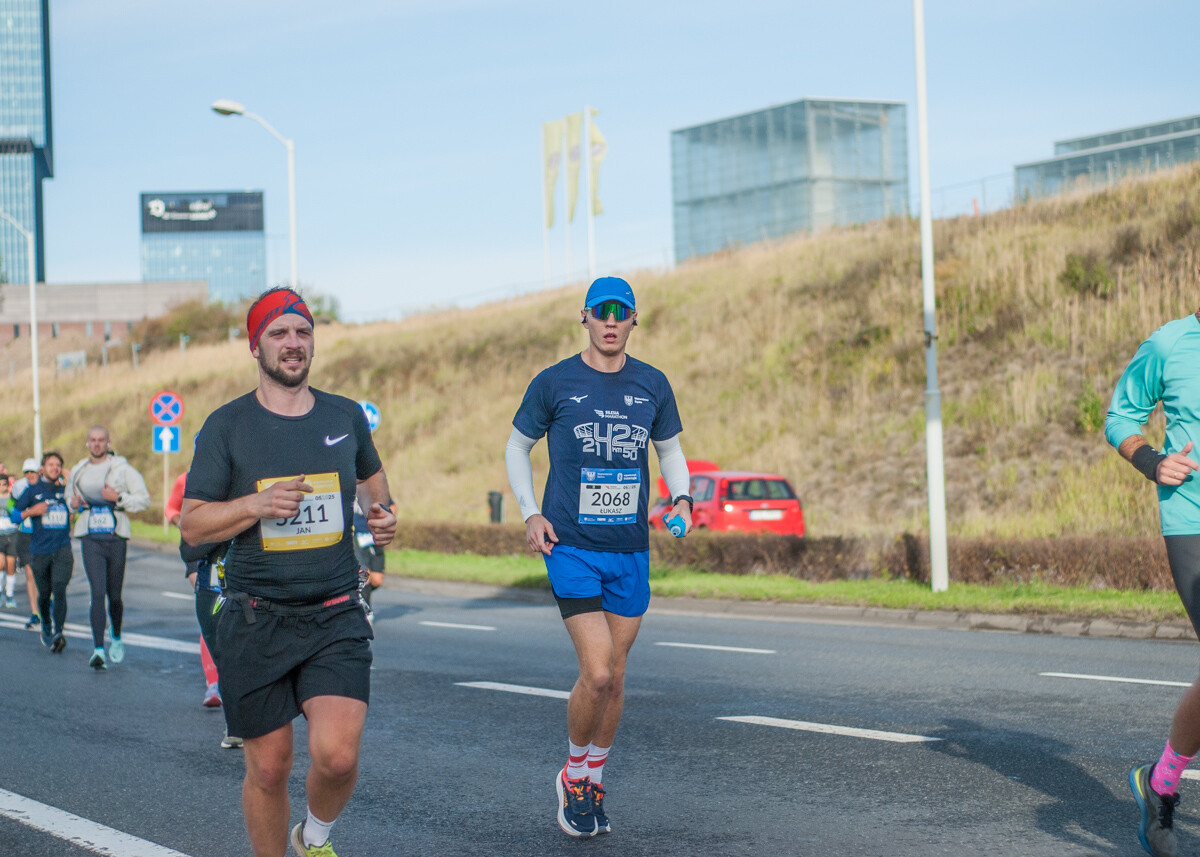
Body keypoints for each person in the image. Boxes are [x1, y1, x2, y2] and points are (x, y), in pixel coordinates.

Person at [180, 287, 396, 857]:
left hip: (335, 612)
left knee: (338, 757)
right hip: (256, 618)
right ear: (256, 346)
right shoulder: (227, 426)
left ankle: (314, 837)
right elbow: (193, 525)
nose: (293, 343)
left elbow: (373, 481)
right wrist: (256, 504)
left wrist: (381, 514)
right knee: (270, 768)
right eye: (278, 333)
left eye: (302, 331)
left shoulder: (345, 415)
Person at [505, 276, 693, 838]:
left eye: (622, 312)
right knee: (599, 669)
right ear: (584, 317)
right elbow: (517, 446)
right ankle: (572, 772)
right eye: (601, 311)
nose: (611, 321)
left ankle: (592, 777)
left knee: (617, 677)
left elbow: (670, 451)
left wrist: (681, 497)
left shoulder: (653, 383)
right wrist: (530, 513)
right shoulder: (554, 381)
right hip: (571, 547)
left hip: (629, 549)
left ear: (634, 320)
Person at [1107, 297, 1200, 857]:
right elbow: (1120, 417)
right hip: (1193, 521)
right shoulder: (1169, 343)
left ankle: (1160, 781)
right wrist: (1153, 461)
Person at [67, 426, 151, 670]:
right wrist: (73, 504)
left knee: (114, 595)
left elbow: (144, 499)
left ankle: (116, 636)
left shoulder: (122, 469)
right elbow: (69, 500)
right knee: (97, 592)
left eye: (101, 440)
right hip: (91, 537)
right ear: (87, 442)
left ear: (108, 442)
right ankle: (98, 650)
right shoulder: (79, 470)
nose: (96, 444)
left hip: (116, 538)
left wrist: (119, 499)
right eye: (92, 440)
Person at [168, 469, 240, 747]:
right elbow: (188, 546)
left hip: (245, 582)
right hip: (209, 584)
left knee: (245, 653)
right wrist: (222, 530)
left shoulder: (247, 490)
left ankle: (243, 722)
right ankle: (234, 721)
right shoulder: (197, 494)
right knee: (222, 653)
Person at [14, 452, 73, 653]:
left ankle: (59, 631)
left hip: (62, 548)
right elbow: (14, 515)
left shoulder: (65, 491)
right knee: (45, 593)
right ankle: (46, 622)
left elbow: (78, 506)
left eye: (58, 465)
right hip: (40, 551)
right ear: (42, 468)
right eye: (51, 464)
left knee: (60, 588)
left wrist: (75, 504)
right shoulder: (33, 491)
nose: (55, 468)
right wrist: (32, 511)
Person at [12, 458, 41, 629]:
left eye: (33, 472)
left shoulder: (46, 487)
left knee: (43, 574)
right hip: (25, 534)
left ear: (39, 472)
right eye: (26, 472)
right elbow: (12, 508)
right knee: (30, 574)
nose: (30, 475)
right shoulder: (19, 487)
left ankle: (47, 602)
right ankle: (35, 612)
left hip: (42, 535)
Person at [0, 474, 21, 608]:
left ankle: (9, 595)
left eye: (3, 484)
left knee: (11, 566)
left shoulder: (12, 499)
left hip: (12, 535)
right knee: (0, 564)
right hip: (0, 535)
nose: (1, 487)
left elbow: (17, 514)